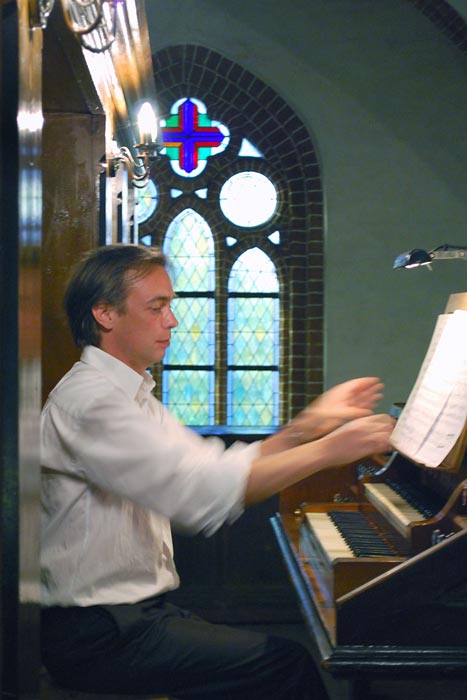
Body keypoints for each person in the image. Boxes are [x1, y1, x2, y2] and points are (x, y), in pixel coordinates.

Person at [40, 244, 395, 700]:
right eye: (157, 307)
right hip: (99, 635)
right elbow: (198, 496)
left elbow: (210, 467)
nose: (172, 321)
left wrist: (306, 428)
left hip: (130, 619)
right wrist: (329, 450)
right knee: (285, 666)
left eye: (171, 306)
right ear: (105, 313)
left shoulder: (129, 395)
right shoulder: (92, 402)